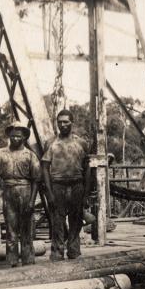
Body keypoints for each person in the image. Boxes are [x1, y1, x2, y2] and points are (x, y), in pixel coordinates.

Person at [41, 109, 91, 261]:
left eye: (66, 122)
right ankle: (57, 252)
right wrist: (49, 192)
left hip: (77, 185)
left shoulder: (81, 143)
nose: (62, 125)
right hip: (58, 185)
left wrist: (86, 194)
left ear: (72, 123)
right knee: (57, 221)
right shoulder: (50, 143)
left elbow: (88, 168)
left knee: (76, 220)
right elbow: (44, 167)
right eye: (60, 122)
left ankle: (74, 250)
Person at [0, 121, 41, 267]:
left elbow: (36, 179)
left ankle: (28, 260)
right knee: (11, 231)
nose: (15, 139)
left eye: (19, 136)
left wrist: (32, 201)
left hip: (26, 191)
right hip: (8, 192)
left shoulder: (30, 155)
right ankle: (11, 261)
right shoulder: (0, 153)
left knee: (26, 230)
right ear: (9, 136)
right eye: (13, 136)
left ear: (24, 137)